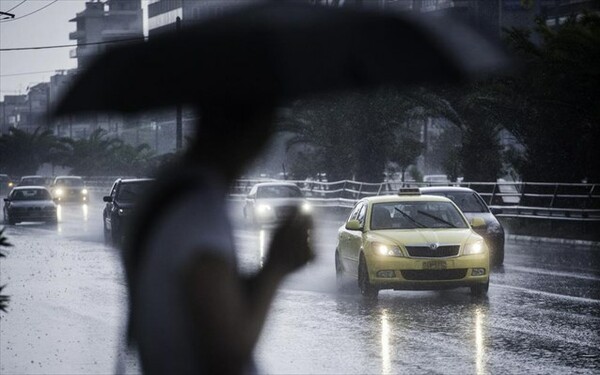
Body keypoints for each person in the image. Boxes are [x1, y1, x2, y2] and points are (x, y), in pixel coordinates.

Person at [122, 106, 314, 374]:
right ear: (252, 132)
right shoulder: (200, 211)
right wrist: (276, 265)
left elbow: (210, 302)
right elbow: (228, 351)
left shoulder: (168, 193)